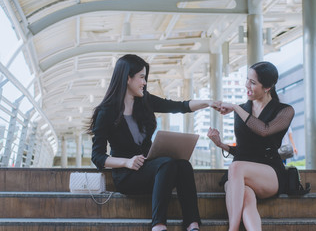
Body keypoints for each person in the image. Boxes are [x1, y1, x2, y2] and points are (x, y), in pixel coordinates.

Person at [87, 54, 220, 231]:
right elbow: (97, 157)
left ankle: (192, 224)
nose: (144, 82)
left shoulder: (145, 101)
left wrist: (208, 102)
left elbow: (179, 106)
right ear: (128, 78)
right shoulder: (106, 113)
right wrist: (126, 162)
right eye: (141, 77)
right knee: (166, 164)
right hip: (127, 176)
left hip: (153, 171)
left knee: (183, 165)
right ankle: (158, 226)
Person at [207, 61, 295, 231]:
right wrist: (220, 144)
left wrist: (235, 108)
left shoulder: (285, 111)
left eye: (253, 82)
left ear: (267, 87)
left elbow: (264, 130)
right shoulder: (242, 110)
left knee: (235, 167)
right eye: (247, 79)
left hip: (269, 172)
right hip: (240, 172)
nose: (247, 85)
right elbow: (244, 150)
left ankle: (232, 229)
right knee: (245, 194)